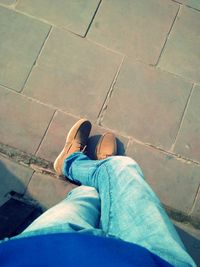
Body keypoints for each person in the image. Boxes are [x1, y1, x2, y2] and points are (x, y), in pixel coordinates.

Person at [0, 119, 196, 267]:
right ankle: (95, 168)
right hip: (153, 260)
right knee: (122, 167)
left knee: (85, 196)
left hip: (46, 252)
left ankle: (76, 163)